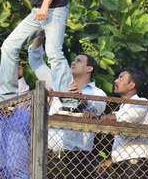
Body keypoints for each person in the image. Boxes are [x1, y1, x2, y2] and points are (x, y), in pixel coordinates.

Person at [28, 33, 107, 179]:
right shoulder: (56, 82)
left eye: (79, 61)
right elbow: (35, 60)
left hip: (78, 158)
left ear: (89, 69)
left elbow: (97, 109)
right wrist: (41, 34)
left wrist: (80, 98)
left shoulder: (98, 92)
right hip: (51, 155)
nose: (73, 62)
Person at [97, 68, 148, 179]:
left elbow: (124, 119)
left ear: (132, 85)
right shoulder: (123, 107)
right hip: (120, 163)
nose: (116, 81)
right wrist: (112, 160)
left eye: (121, 78)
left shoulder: (141, 102)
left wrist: (104, 118)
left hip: (134, 164)